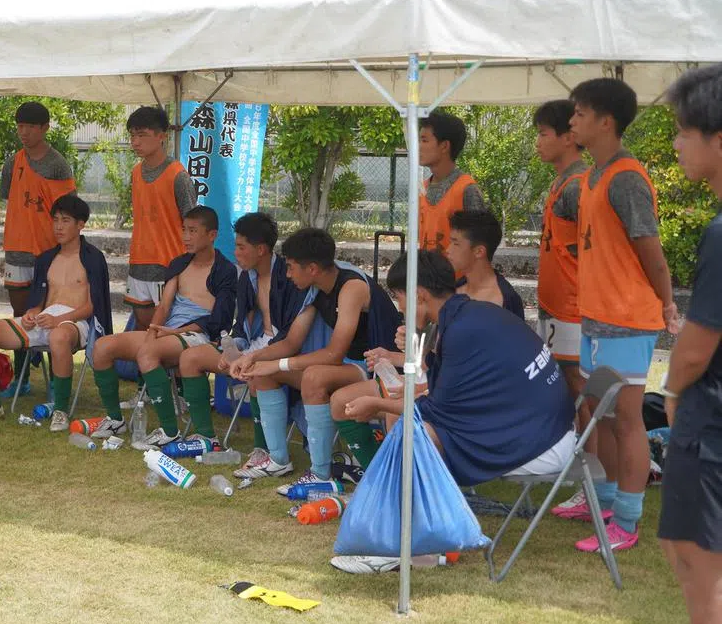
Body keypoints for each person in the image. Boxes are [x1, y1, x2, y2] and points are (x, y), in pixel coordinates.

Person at [330, 250, 577, 575]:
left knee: (414, 434)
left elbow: (437, 410)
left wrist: (377, 404)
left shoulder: (461, 330)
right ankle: (426, 542)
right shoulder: (470, 316)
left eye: (399, 296)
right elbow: (444, 389)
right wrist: (406, 392)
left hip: (540, 441)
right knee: (414, 425)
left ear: (419, 294)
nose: (399, 307)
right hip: (543, 427)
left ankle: (401, 546)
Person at [562, 78, 680, 553]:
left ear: (605, 121)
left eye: (578, 114)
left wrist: (667, 304)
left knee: (627, 421)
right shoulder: (593, 176)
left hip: (628, 319)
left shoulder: (626, 177)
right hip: (596, 317)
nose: (571, 122)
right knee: (602, 415)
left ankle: (626, 523)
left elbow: (650, 249)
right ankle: (606, 502)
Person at [231, 228, 400, 490]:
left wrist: (277, 364)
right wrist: (252, 357)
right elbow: (290, 342)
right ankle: (277, 459)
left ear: (311, 268)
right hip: (348, 365)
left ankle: (320, 474)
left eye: (290, 268)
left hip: (376, 367)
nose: (287, 275)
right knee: (260, 372)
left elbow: (334, 354)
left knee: (313, 376)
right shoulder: (315, 288)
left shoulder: (351, 286)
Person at [658, 64, 722, 624]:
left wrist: (673, 392)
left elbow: (698, 345)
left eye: (683, 131)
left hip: (710, 427)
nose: (675, 143)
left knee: (700, 572)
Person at [92, 205, 235, 446]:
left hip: (196, 335)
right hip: (168, 332)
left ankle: (169, 431)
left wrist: (174, 332)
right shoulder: (179, 263)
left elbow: (218, 321)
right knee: (103, 346)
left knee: (148, 352)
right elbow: (164, 307)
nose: (186, 237)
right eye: (184, 230)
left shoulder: (225, 270)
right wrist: (153, 332)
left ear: (211, 235)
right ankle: (115, 419)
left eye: (192, 231)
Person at [0, 194, 111, 430]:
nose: (58, 226)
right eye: (55, 220)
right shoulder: (46, 258)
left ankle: (61, 410)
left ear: (81, 224)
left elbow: (94, 306)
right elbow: (38, 301)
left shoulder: (93, 258)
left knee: (59, 336)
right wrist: (32, 312)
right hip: (46, 319)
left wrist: (60, 319)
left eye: (65, 220)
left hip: (76, 322)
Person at [175, 212, 307, 460]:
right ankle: (206, 437)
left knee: (255, 370)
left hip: (280, 351)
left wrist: (251, 356)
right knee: (190, 358)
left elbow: (292, 335)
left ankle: (263, 450)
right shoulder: (247, 276)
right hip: (255, 346)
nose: (235, 252)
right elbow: (242, 326)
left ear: (261, 249)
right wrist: (231, 348)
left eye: (240, 247)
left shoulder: (289, 277)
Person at [533, 99, 595, 493]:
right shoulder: (561, 183)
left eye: (543, 134)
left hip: (573, 307)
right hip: (553, 305)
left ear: (570, 137)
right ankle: (570, 461)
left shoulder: (580, 186)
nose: (537, 143)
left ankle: (591, 475)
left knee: (580, 388)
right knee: (563, 385)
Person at [0, 101, 77, 396]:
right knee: (21, 313)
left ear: (45, 128)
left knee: (54, 313)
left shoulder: (57, 164)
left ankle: (58, 382)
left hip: (49, 252)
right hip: (17, 249)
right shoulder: (12, 162)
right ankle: (21, 379)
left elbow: (69, 208)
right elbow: (10, 199)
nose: (24, 132)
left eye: (31, 126)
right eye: (20, 126)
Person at [124, 106, 198, 329]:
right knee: (142, 330)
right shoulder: (136, 173)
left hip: (169, 264)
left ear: (161, 137)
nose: (135, 142)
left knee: (163, 332)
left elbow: (192, 224)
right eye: (132, 136)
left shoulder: (178, 176)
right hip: (138, 262)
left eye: (142, 135)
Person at [418, 110, 487, 257]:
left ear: (444, 146)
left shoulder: (467, 189)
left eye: (424, 140)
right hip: (428, 277)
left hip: (457, 279)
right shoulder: (422, 188)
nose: (418, 146)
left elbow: (481, 245)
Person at [446, 209, 524, 318]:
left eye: (455, 243)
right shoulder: (452, 291)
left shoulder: (504, 300)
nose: (448, 250)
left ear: (479, 251)